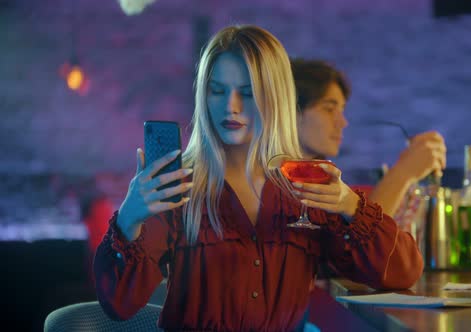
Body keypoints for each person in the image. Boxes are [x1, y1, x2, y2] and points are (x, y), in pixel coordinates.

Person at [94, 25, 423, 331]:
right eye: (217, 91)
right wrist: (128, 219)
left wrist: (351, 205)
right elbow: (120, 304)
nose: (230, 107)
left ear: (275, 97)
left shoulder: (305, 185)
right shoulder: (179, 186)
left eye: (248, 93)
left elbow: (402, 273)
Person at [291, 58, 447, 219]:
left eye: (342, 110)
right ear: (291, 112)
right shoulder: (276, 184)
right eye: (329, 109)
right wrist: (403, 172)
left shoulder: (323, 179)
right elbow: (359, 237)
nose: (343, 122)